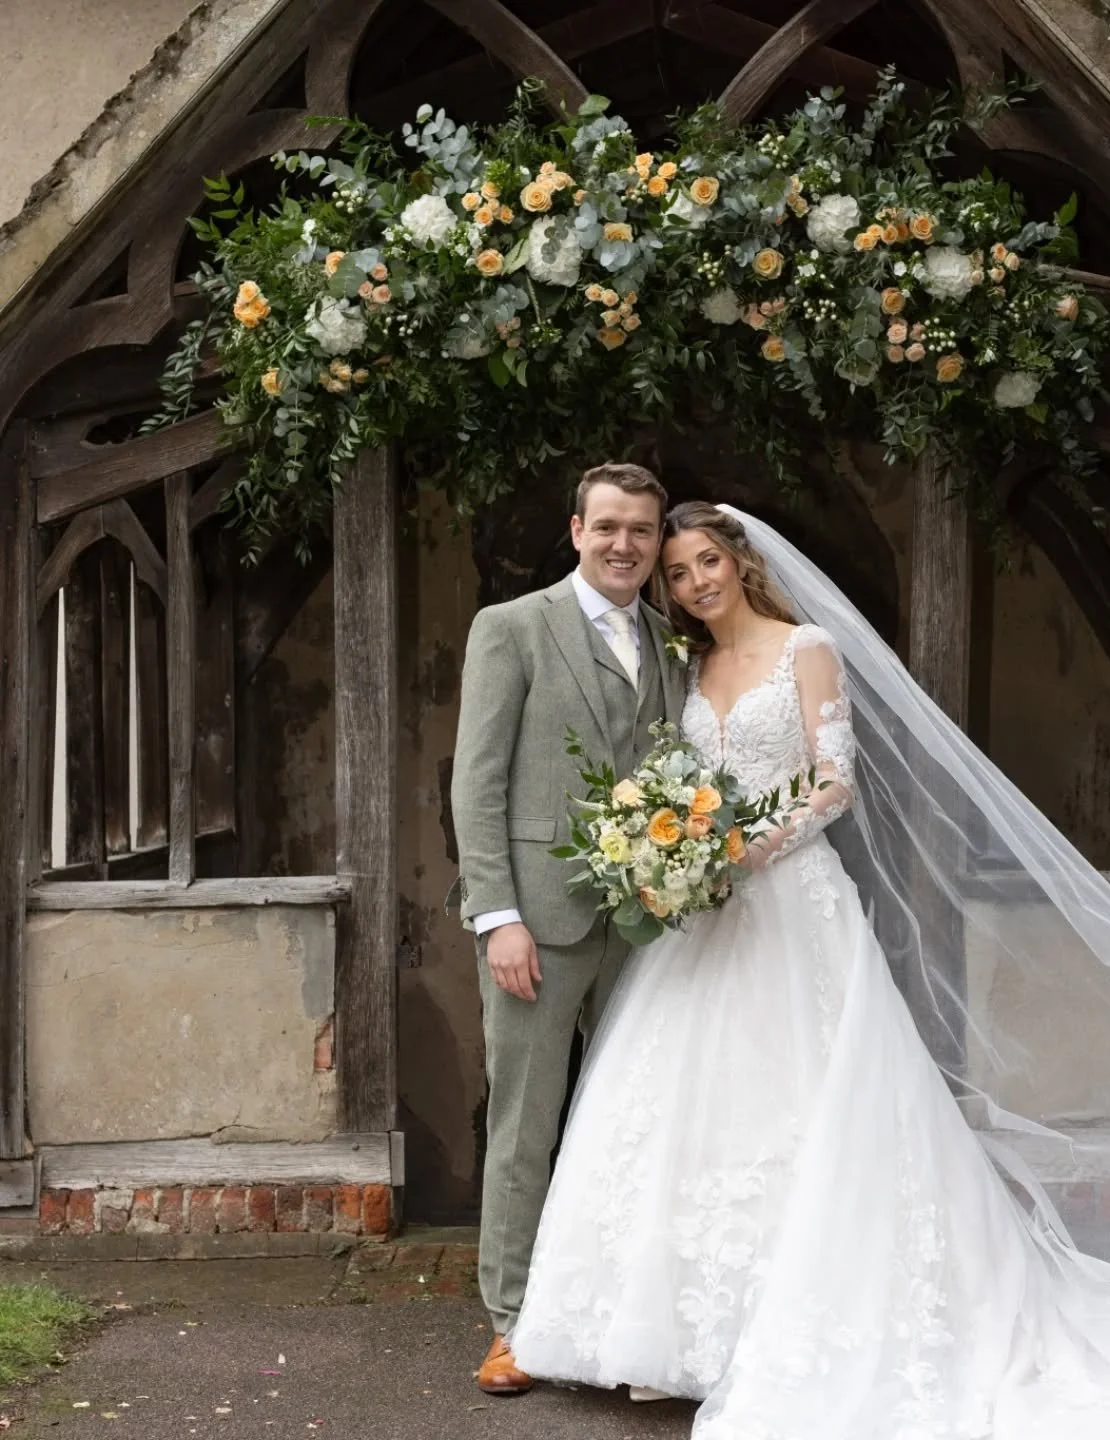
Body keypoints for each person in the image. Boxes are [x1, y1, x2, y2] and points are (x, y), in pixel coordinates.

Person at [506, 500, 1110, 1439]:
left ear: (738, 559)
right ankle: (677, 1336)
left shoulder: (804, 645)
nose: (694, 584)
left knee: (811, 1100)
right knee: (689, 1105)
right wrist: (685, 857)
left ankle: (792, 1323)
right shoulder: (686, 666)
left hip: (792, 905)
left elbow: (833, 779)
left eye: (705, 563)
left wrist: (748, 847)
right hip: (710, 920)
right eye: (678, 575)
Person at [450, 463, 688, 1395]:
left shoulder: (670, 644)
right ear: (576, 530)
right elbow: (477, 781)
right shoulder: (511, 628)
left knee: (630, 1123)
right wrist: (497, 916)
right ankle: (512, 1323)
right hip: (536, 927)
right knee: (526, 1125)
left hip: (644, 929)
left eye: (641, 530)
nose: (625, 544)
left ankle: (617, 1319)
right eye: (609, 527)